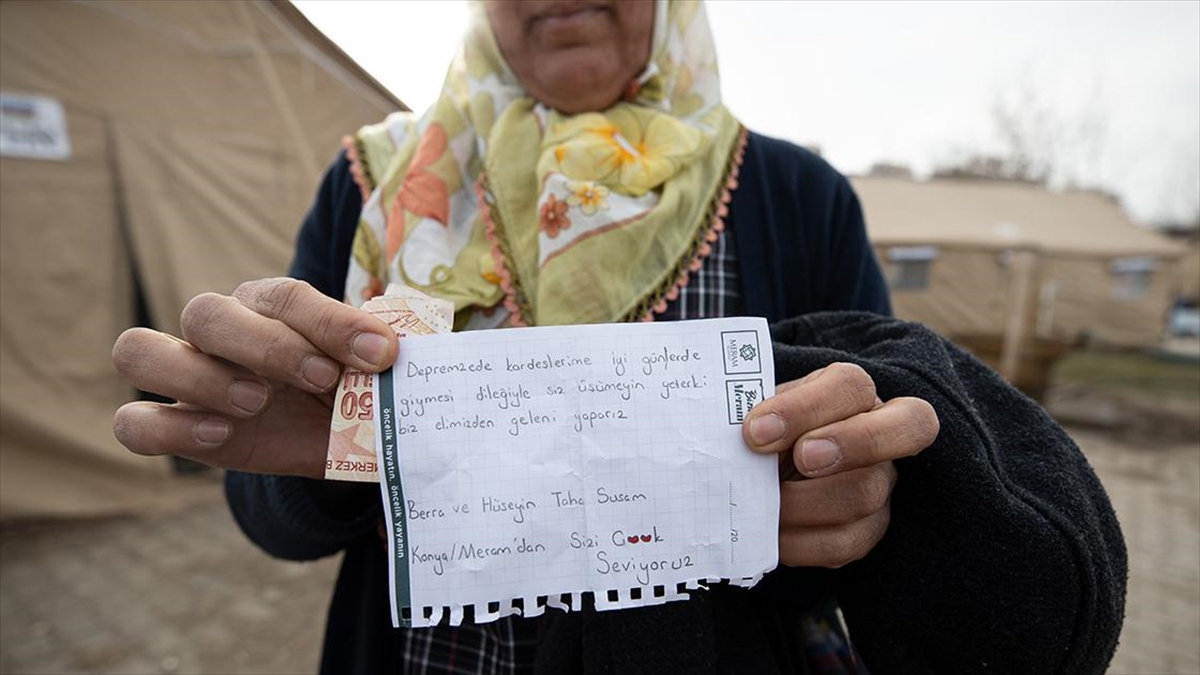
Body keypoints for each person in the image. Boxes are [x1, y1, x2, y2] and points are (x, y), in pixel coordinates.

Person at [111, 1, 1126, 673]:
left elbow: (883, 446)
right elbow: (272, 516)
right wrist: (308, 458)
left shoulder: (793, 195)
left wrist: (875, 490)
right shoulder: (377, 187)